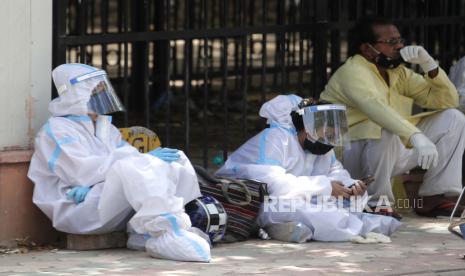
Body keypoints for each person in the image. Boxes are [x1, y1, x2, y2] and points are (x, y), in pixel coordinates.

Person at [27, 63, 210, 262]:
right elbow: (81, 173)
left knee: (174, 161)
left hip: (103, 200)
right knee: (140, 164)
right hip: (76, 208)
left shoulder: (105, 128)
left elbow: (130, 160)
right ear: (76, 95)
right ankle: (166, 233)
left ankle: (151, 232)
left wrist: (145, 159)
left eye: (101, 91)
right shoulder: (57, 129)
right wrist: (139, 160)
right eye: (93, 92)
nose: (100, 98)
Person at [320, 17, 465, 218]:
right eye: (391, 42)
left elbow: (448, 100)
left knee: (453, 118)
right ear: (367, 49)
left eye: (400, 40)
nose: (399, 46)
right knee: (385, 126)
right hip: (346, 159)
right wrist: (416, 136)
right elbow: (376, 109)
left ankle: (433, 197)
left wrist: (429, 65)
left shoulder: (398, 73)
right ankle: (376, 203)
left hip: (385, 152)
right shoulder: (352, 72)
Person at [215, 94, 401, 242]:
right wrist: (327, 187)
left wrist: (350, 187)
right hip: (253, 202)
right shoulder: (276, 138)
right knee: (312, 211)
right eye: (326, 133)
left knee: (333, 205)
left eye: (333, 134)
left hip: (296, 198)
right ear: (307, 128)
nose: (330, 139)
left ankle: (283, 228)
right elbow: (274, 185)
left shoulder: (319, 145)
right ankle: (364, 228)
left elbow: (335, 172)